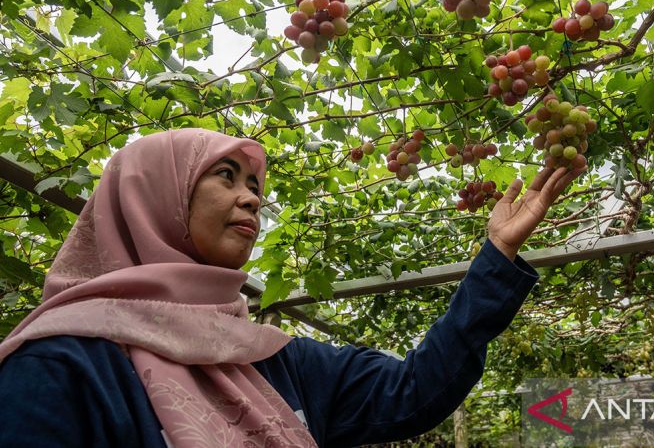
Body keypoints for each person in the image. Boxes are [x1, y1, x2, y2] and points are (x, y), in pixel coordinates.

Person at [0, 128, 584, 447]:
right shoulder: (61, 367)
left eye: (254, 184)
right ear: (149, 200)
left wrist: (498, 253)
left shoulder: (272, 358)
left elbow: (413, 390)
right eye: (225, 177)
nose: (251, 197)